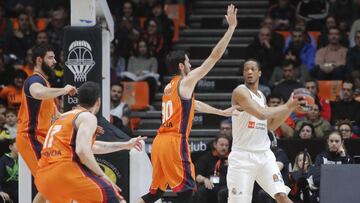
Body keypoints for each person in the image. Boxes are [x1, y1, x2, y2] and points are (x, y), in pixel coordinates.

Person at [136, 4, 238, 203]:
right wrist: (231, 28)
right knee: (187, 190)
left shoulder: (169, 87)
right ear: (182, 66)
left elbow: (194, 105)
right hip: (175, 141)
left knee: (156, 192)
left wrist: (221, 112)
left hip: (159, 143)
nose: (191, 66)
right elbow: (214, 58)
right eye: (189, 63)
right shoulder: (186, 81)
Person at [34, 82, 145, 203]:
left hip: (43, 176)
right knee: (116, 199)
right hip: (65, 171)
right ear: (98, 102)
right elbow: (82, 150)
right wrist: (103, 176)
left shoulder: (62, 117)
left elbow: (92, 147)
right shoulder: (87, 116)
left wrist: (125, 145)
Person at [228, 59, 303, 203]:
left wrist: (290, 109)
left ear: (259, 73)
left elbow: (271, 126)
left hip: (264, 155)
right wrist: (287, 105)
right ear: (243, 73)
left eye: (253, 69)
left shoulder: (261, 96)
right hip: (242, 157)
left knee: (281, 196)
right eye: (246, 69)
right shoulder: (240, 91)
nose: (249, 71)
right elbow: (261, 114)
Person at [16, 43, 76, 203]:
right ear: (39, 60)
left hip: (43, 139)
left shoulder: (46, 83)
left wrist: (83, 122)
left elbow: (58, 116)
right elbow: (37, 92)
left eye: (54, 57)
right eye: (50, 57)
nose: (55, 61)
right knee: (54, 182)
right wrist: (63, 90)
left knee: (51, 183)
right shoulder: (34, 80)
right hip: (31, 137)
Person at [195, 134, 230, 203]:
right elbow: (197, 175)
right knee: (201, 191)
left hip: (225, 186)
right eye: (221, 145)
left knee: (224, 193)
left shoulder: (232, 159)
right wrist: (204, 179)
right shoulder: (207, 157)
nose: (224, 148)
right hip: (210, 185)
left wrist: (232, 165)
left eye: (226, 145)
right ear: (215, 145)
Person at [0, 139, 18, 203]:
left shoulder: (25, 161)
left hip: (21, 194)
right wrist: (1, 191)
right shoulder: (3, 160)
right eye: (17, 144)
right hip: (6, 194)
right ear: (10, 147)